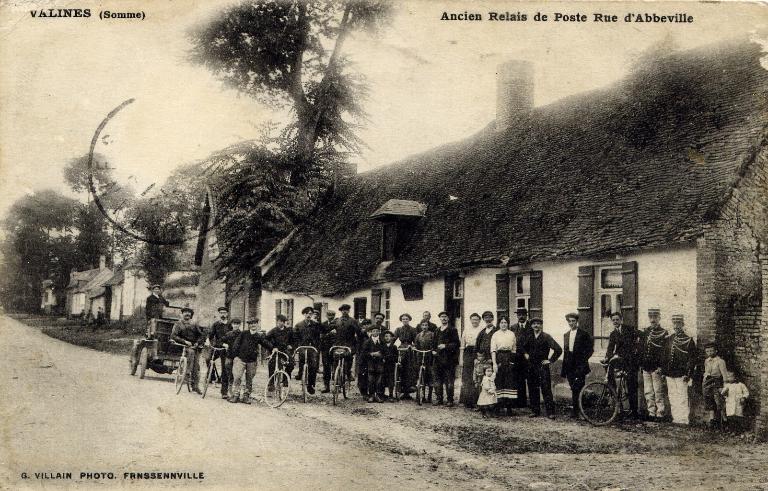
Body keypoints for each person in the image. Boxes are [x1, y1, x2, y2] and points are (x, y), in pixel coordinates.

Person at [521, 317, 562, 419]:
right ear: (531, 326)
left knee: (546, 388)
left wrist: (550, 360)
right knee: (532, 388)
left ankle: (550, 412)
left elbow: (558, 349)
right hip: (531, 366)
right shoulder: (529, 337)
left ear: (541, 325)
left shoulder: (546, 337)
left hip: (542, 366)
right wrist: (525, 354)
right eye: (534, 324)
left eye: (538, 324)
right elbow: (521, 347)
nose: (536, 325)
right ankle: (535, 411)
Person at [602, 311, 641, 419]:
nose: (615, 322)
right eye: (613, 320)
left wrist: (636, 352)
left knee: (631, 386)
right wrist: (607, 357)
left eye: (617, 320)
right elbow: (610, 348)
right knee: (611, 377)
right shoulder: (613, 334)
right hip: (621, 361)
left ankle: (634, 412)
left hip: (631, 362)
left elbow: (639, 339)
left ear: (621, 320)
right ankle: (618, 407)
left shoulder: (629, 329)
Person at [661, 314, 697, 425]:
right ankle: (676, 418)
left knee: (682, 396)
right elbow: (665, 356)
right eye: (674, 323)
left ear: (682, 324)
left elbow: (692, 359)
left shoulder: (688, 340)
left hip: (681, 374)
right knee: (672, 396)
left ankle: (683, 420)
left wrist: (688, 373)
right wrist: (664, 372)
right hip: (669, 373)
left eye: (678, 324)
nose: (676, 326)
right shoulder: (669, 339)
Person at [228, 319, 273, 404]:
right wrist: (236, 356)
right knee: (237, 377)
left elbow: (266, 343)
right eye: (251, 323)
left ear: (257, 324)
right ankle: (236, 395)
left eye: (254, 323)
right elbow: (236, 344)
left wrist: (273, 348)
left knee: (249, 379)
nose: (253, 325)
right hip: (240, 359)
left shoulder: (259, 336)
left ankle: (246, 396)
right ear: (249, 325)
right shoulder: (244, 333)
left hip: (252, 361)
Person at [561, 312, 594, 419]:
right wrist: (565, 367)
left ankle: (580, 412)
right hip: (569, 365)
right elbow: (566, 352)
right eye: (569, 321)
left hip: (580, 365)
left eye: (573, 321)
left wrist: (583, 360)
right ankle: (575, 411)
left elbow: (590, 350)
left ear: (577, 321)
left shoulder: (583, 334)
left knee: (579, 387)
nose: (571, 323)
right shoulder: (566, 335)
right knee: (573, 388)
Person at [639, 308, 669, 421]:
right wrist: (641, 364)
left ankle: (660, 413)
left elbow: (664, 352)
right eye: (651, 317)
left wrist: (661, 367)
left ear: (659, 318)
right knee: (648, 391)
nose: (653, 320)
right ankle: (651, 412)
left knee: (658, 391)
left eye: (655, 317)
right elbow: (642, 349)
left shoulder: (663, 332)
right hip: (646, 366)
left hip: (656, 367)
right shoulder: (646, 332)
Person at [170, 307, 205, 394]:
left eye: (189, 313)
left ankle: (195, 386)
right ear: (182, 314)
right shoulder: (178, 324)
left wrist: (197, 342)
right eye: (185, 312)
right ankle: (187, 373)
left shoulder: (194, 324)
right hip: (182, 346)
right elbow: (173, 336)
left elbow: (201, 335)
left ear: (191, 316)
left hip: (194, 346)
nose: (187, 314)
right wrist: (184, 341)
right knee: (191, 352)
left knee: (196, 365)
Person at [491, 316, 518, 415]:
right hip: (499, 357)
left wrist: (512, 361)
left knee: (509, 382)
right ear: (499, 324)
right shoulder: (495, 335)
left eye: (505, 322)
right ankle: (498, 407)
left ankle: (509, 407)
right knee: (499, 381)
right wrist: (494, 363)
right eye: (501, 322)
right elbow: (493, 350)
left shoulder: (512, 334)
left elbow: (514, 349)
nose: (503, 324)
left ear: (508, 324)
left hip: (509, 357)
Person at [432, 311, 460, 407]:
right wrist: (433, 351)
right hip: (438, 359)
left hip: (449, 359)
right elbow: (433, 344)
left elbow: (456, 344)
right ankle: (439, 398)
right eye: (442, 317)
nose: (443, 318)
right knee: (438, 380)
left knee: (449, 380)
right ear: (440, 319)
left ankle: (450, 400)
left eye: (445, 317)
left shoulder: (453, 330)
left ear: (448, 319)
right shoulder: (437, 330)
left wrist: (445, 346)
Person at [294, 307, 321, 394]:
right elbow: (295, 337)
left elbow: (318, 337)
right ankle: (301, 377)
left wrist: (316, 345)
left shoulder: (315, 324)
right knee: (302, 364)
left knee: (313, 366)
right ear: (304, 314)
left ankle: (311, 385)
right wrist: (297, 346)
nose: (308, 315)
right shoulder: (298, 325)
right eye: (307, 313)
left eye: (310, 314)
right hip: (302, 348)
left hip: (312, 348)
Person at [208, 306, 233, 399]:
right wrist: (207, 340)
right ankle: (212, 376)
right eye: (221, 313)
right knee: (208, 359)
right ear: (219, 314)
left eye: (224, 313)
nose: (223, 314)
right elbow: (210, 335)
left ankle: (224, 392)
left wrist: (229, 345)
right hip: (217, 347)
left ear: (227, 314)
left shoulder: (230, 325)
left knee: (225, 369)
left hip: (226, 349)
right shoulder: (216, 325)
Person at [459, 312, 484, 407]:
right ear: (470, 320)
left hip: (478, 352)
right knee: (467, 376)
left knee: (477, 375)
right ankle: (467, 400)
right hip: (468, 352)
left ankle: (477, 400)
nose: (474, 321)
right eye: (473, 319)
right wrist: (461, 359)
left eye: (476, 319)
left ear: (479, 320)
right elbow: (462, 346)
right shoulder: (466, 330)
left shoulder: (482, 330)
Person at [333, 304, 360, 387]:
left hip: (349, 344)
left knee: (348, 361)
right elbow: (330, 329)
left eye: (346, 310)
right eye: (343, 310)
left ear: (349, 311)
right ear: (341, 311)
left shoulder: (353, 321)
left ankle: (348, 373)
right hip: (338, 344)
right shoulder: (337, 320)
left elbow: (358, 332)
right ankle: (337, 378)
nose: (344, 311)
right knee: (336, 360)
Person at [703, 343, 728, 429]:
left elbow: (724, 375)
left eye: (711, 350)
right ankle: (712, 421)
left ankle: (725, 422)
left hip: (717, 382)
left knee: (719, 402)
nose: (709, 353)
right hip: (708, 383)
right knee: (709, 401)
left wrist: (724, 386)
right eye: (707, 351)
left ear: (715, 351)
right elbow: (706, 372)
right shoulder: (706, 361)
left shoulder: (720, 361)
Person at [266, 314, 295, 388]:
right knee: (273, 364)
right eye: (279, 321)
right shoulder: (273, 331)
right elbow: (266, 339)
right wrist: (272, 347)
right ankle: (271, 383)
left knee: (291, 363)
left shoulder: (288, 331)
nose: (280, 323)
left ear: (284, 322)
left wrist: (291, 345)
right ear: (277, 322)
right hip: (276, 351)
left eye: (282, 321)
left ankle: (286, 380)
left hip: (285, 350)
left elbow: (294, 340)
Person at [511, 307, 532, 408]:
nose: (521, 317)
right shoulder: (513, 327)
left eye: (523, 314)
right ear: (517, 316)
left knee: (530, 380)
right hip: (517, 358)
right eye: (519, 315)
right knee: (518, 380)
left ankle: (532, 403)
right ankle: (520, 402)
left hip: (528, 358)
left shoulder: (531, 327)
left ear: (526, 315)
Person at [394, 313, 418, 400]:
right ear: (401, 320)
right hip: (401, 349)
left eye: (406, 319)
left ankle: (408, 391)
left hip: (409, 350)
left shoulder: (413, 329)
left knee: (409, 370)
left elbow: (416, 340)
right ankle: (401, 389)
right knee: (401, 368)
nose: (405, 320)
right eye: (403, 319)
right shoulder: (398, 329)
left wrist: (413, 346)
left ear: (409, 320)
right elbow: (393, 338)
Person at [220, 318, 243, 399]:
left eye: (237, 324)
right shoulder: (228, 334)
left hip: (238, 357)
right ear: (232, 325)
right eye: (234, 324)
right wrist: (224, 344)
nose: (235, 325)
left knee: (236, 375)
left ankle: (236, 393)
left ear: (239, 325)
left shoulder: (242, 334)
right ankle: (230, 392)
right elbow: (220, 341)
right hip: (229, 356)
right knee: (229, 374)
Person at [362, 326, 386, 402]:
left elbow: (385, 351)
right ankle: (371, 395)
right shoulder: (367, 342)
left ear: (379, 332)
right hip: (370, 363)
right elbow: (364, 353)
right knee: (370, 379)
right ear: (371, 332)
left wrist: (381, 354)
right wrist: (372, 354)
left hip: (379, 363)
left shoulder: (382, 341)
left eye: (377, 331)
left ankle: (378, 395)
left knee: (379, 380)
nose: (375, 332)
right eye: (374, 331)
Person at [414, 319, 435, 403]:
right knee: (420, 374)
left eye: (426, 325)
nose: (424, 327)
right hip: (420, 355)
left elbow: (434, 344)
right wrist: (415, 348)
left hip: (429, 356)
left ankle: (429, 396)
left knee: (429, 374)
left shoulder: (432, 334)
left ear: (428, 326)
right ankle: (420, 394)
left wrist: (432, 350)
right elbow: (416, 345)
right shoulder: (418, 335)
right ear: (420, 326)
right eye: (423, 325)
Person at [319, 310, 338, 393]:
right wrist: (330, 334)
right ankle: (326, 387)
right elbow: (321, 336)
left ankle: (338, 386)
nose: (331, 317)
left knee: (336, 366)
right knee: (326, 367)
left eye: (332, 315)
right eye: (329, 315)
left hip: (335, 347)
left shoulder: (338, 324)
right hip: (325, 348)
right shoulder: (323, 324)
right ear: (326, 316)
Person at [382, 330, 398, 401]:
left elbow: (396, 357)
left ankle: (391, 395)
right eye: (386, 336)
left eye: (389, 336)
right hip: (383, 365)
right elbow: (381, 354)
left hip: (391, 365)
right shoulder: (382, 346)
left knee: (391, 380)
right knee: (382, 379)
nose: (387, 338)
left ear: (392, 338)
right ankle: (382, 394)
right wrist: (382, 358)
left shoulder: (394, 347)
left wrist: (392, 358)